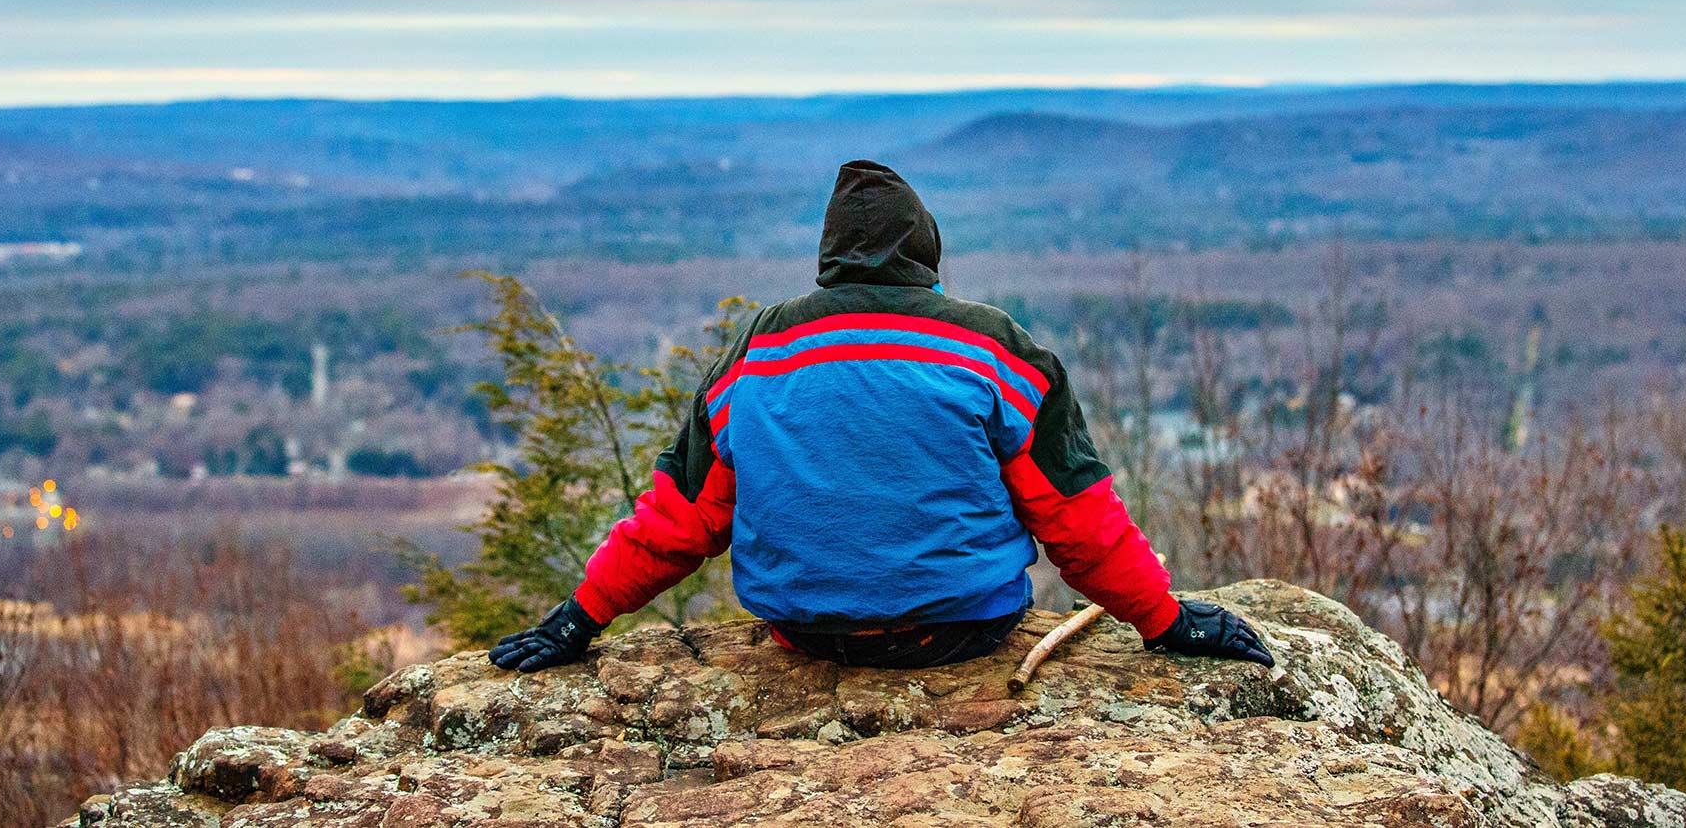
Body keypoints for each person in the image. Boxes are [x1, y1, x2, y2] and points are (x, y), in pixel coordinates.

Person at [490, 160, 1274, 674]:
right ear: (926, 253)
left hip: (806, 635)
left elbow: (681, 520)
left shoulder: (758, 352)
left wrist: (577, 619)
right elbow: (1075, 517)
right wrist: (1166, 621)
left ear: (828, 257)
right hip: (961, 632)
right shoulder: (994, 346)